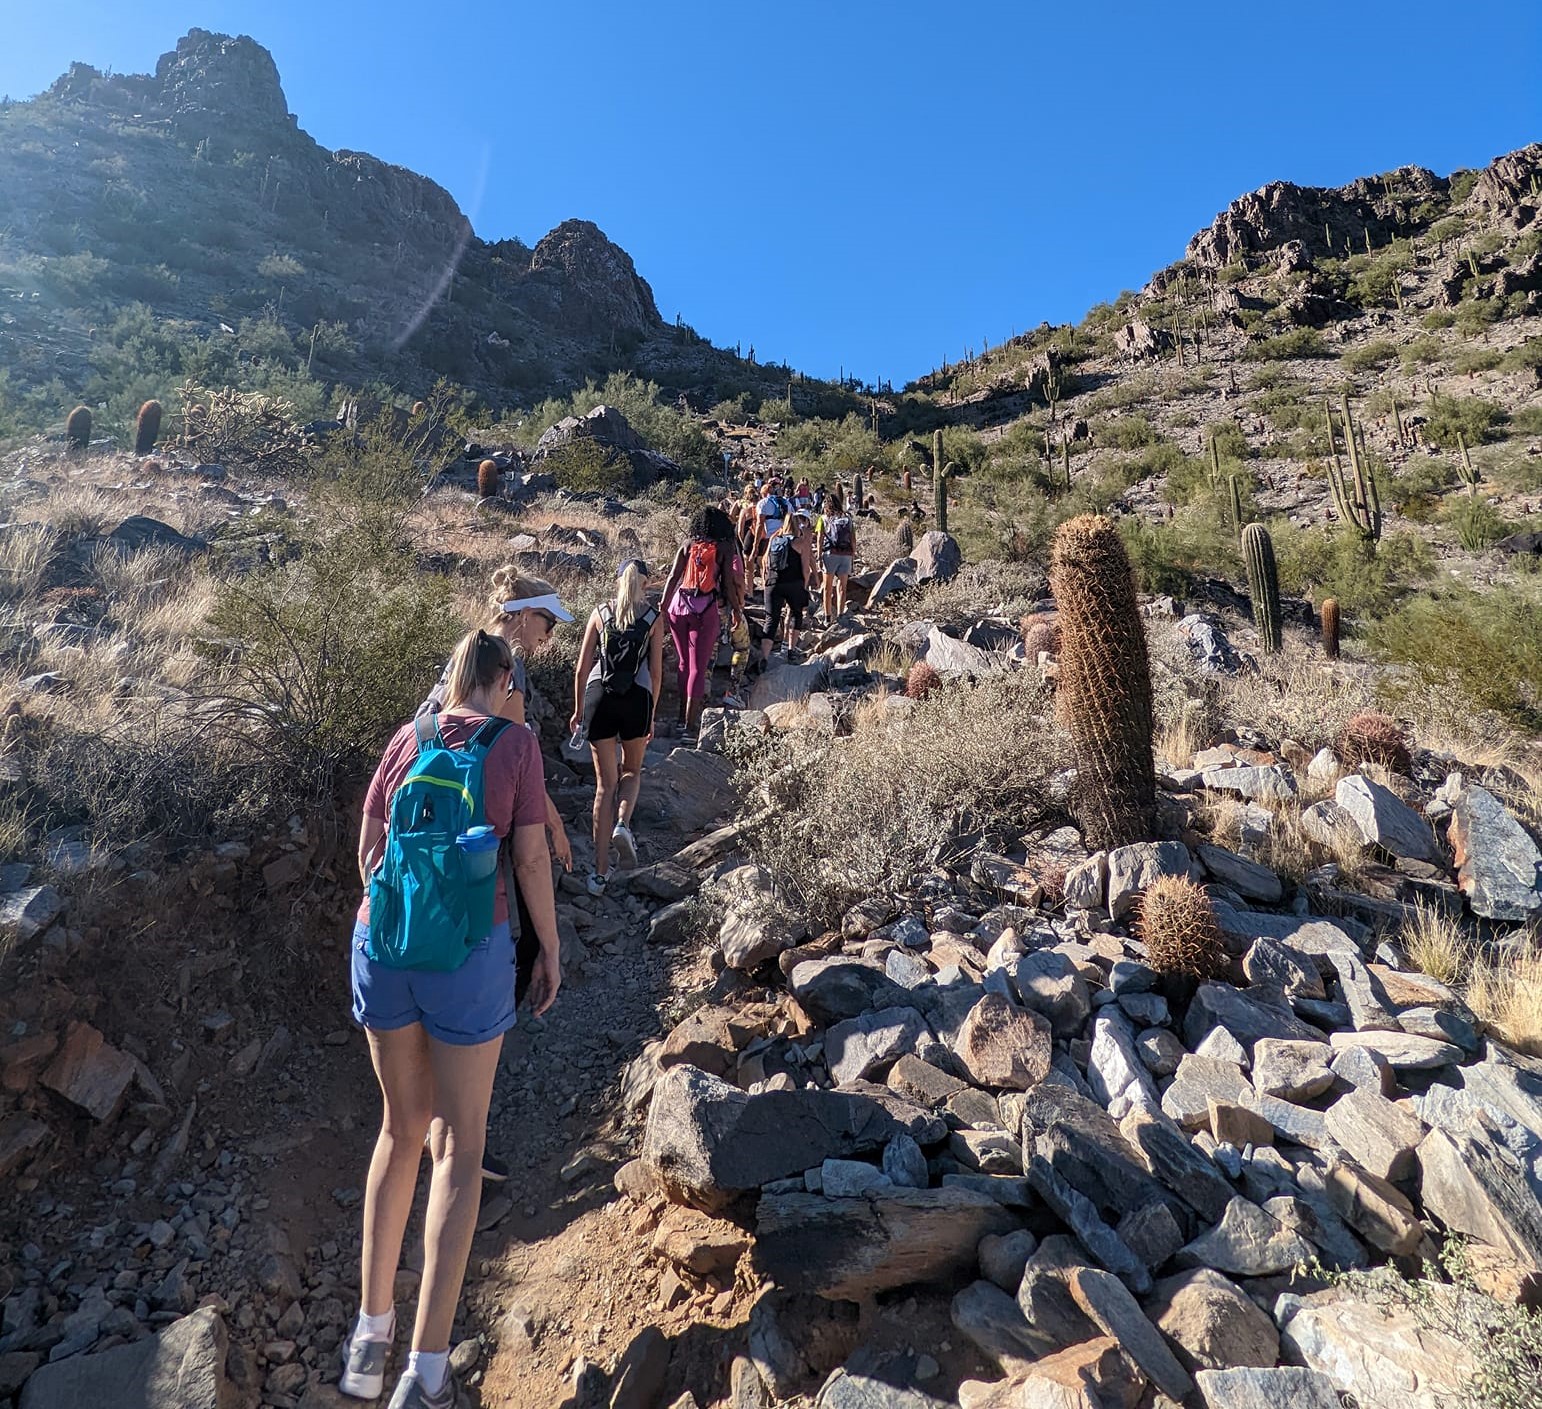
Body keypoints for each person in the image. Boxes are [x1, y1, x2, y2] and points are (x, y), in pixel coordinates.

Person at [344, 629, 560, 1409]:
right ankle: (426, 1372)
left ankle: (370, 1336)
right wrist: (549, 950)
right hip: (468, 954)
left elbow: (368, 851)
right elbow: (530, 860)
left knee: (400, 1130)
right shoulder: (516, 745)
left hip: (385, 942)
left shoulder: (407, 737)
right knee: (460, 1150)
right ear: (502, 679)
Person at [569, 561, 666, 896]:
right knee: (632, 772)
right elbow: (655, 674)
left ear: (617, 581)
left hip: (600, 700)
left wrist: (579, 710)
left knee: (603, 788)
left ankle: (598, 875)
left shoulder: (599, 613)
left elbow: (582, 669)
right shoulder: (653, 618)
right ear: (644, 583)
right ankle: (623, 824)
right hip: (636, 701)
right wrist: (651, 714)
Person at [660, 506, 744, 737]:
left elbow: (672, 576)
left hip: (679, 606)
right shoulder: (724, 548)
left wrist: (663, 606)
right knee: (698, 667)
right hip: (705, 609)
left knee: (683, 664)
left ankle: (679, 717)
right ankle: (689, 726)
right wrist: (736, 610)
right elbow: (727, 583)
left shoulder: (687, 545)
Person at [761, 513, 813, 666]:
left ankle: (764, 658)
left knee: (771, 619)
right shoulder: (800, 542)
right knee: (796, 613)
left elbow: (765, 562)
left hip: (773, 582)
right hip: (793, 582)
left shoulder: (773, 539)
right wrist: (805, 585)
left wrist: (766, 582)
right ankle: (791, 650)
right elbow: (806, 569)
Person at [821, 490, 857, 621]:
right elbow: (853, 538)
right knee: (842, 587)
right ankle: (841, 615)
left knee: (827, 587)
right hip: (845, 554)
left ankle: (827, 616)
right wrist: (852, 553)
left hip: (830, 554)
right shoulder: (848, 518)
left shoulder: (824, 519)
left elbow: (820, 537)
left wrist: (819, 554)